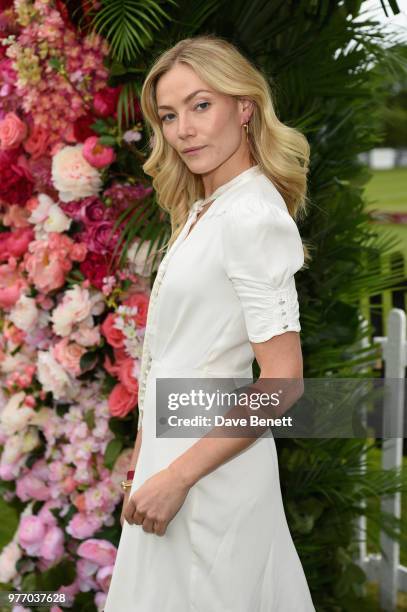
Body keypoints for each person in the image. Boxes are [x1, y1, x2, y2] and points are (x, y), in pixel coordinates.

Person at [104, 34, 315, 611]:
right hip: (171, 467)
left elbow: (283, 382)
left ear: (244, 107)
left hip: (208, 477)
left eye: (201, 105)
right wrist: (147, 462)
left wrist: (178, 476)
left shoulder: (251, 215)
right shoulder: (204, 211)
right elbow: (164, 361)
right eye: (170, 116)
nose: (183, 129)